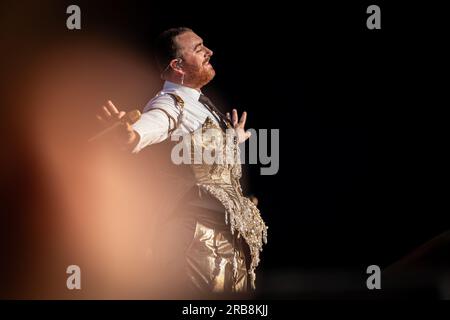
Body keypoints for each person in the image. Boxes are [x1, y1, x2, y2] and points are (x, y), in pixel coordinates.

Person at [97, 27, 267, 298]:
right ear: (177, 66)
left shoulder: (200, 104)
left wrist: (233, 139)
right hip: (199, 243)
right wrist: (131, 135)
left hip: (225, 244)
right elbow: (152, 125)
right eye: (199, 48)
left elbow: (203, 155)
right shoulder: (170, 104)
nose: (209, 52)